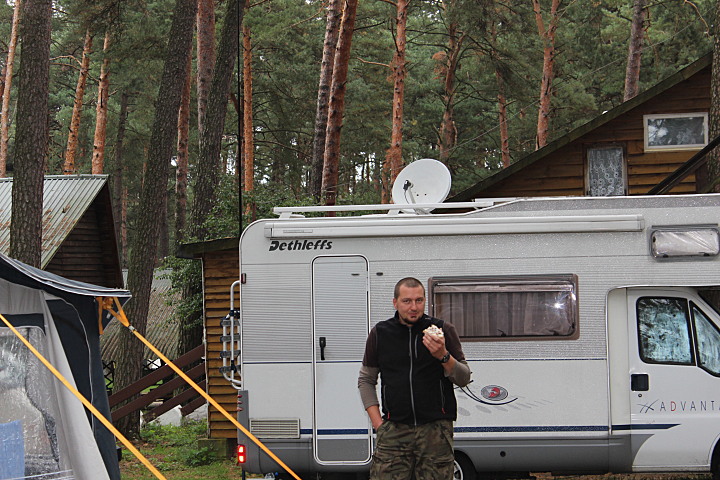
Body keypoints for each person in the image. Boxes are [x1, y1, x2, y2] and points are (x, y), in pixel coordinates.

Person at [357, 277, 472, 480]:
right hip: (394, 429)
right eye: (407, 301)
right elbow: (366, 380)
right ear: (395, 303)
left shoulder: (443, 330)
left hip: (435, 430)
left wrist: (443, 356)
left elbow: (463, 378)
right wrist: (378, 425)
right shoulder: (380, 333)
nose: (414, 307)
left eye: (419, 300)